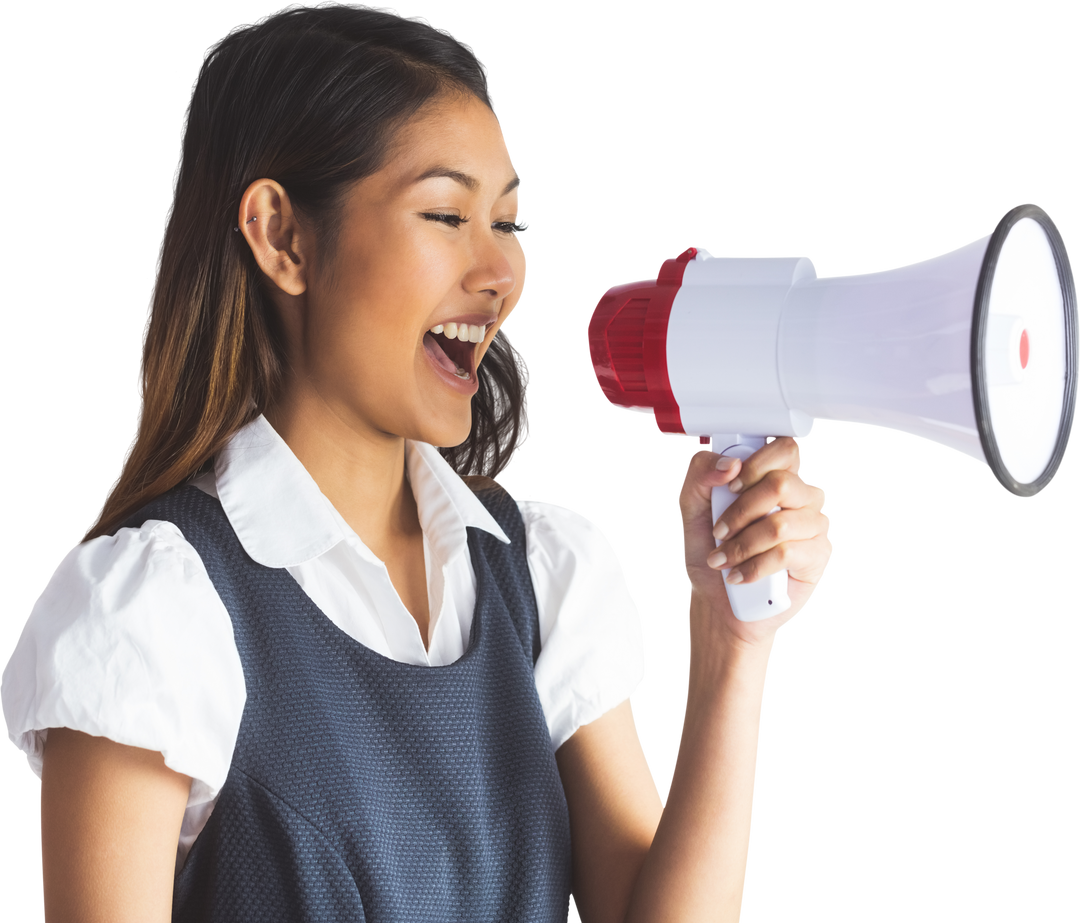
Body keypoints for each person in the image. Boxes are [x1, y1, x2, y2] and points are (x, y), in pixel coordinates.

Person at [2, 3, 834, 921]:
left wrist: (731, 641)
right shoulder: (153, 607)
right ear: (283, 236)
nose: (502, 273)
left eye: (511, 223)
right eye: (445, 214)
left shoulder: (546, 575)